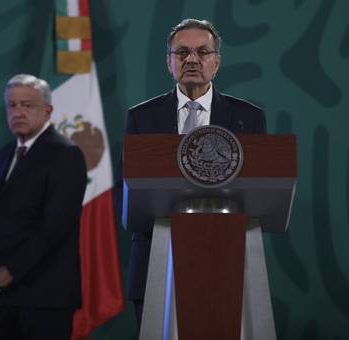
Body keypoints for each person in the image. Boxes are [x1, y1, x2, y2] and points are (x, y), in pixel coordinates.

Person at [114, 19, 266, 327]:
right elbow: (126, 194)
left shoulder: (248, 118)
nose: (192, 60)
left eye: (202, 52)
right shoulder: (141, 118)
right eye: (182, 52)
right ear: (169, 62)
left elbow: (259, 191)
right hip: (156, 264)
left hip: (227, 264)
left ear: (217, 62)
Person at [0, 74, 87, 340]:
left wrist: (11, 270)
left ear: (47, 110)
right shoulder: (4, 154)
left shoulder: (65, 154)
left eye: (27, 105)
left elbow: (55, 226)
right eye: (12, 106)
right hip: (3, 295)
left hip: (45, 296)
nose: (18, 112)